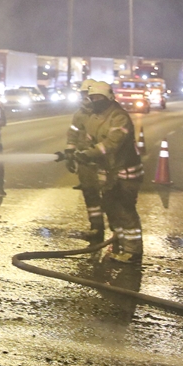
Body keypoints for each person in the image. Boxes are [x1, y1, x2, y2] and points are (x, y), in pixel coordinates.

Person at [71, 81, 144, 264]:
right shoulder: (95, 117)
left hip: (126, 171)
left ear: (109, 97)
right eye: (92, 98)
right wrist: (77, 153)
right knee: (111, 208)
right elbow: (87, 137)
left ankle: (133, 251)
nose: (95, 101)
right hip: (109, 171)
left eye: (98, 98)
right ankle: (119, 243)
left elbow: (112, 143)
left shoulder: (119, 116)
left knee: (125, 210)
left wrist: (89, 154)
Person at [65, 80, 105, 243]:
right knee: (90, 193)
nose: (86, 98)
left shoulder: (107, 113)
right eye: (83, 95)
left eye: (88, 95)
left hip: (104, 160)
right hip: (84, 160)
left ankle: (119, 231)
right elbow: (73, 133)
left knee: (110, 195)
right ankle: (96, 226)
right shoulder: (79, 114)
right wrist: (69, 152)